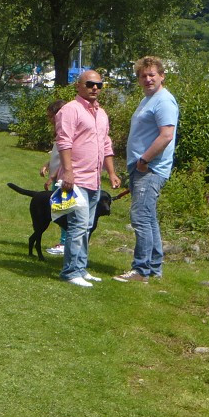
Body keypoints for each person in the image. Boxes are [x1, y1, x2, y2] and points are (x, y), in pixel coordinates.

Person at [114, 56, 178, 283]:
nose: (148, 79)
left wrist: (144, 160)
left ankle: (141, 270)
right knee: (148, 218)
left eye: (152, 75)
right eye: (143, 76)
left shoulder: (164, 101)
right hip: (142, 167)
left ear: (162, 76)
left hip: (150, 169)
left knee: (140, 217)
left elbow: (166, 135)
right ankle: (154, 268)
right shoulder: (148, 99)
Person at [56, 69, 121, 287]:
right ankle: (70, 271)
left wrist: (111, 172)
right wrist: (67, 171)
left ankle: (81, 268)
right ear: (78, 86)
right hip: (76, 178)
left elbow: (106, 144)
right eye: (90, 84)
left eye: (99, 85)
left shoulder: (101, 114)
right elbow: (64, 142)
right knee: (78, 224)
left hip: (94, 179)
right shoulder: (70, 110)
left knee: (87, 225)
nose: (95, 88)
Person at [39, 99, 68, 255]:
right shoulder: (59, 131)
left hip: (63, 177)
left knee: (63, 209)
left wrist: (52, 177)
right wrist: (47, 164)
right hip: (57, 175)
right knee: (57, 209)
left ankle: (65, 243)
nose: (50, 120)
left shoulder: (67, 131)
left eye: (52, 116)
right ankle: (64, 241)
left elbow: (66, 159)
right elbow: (57, 155)